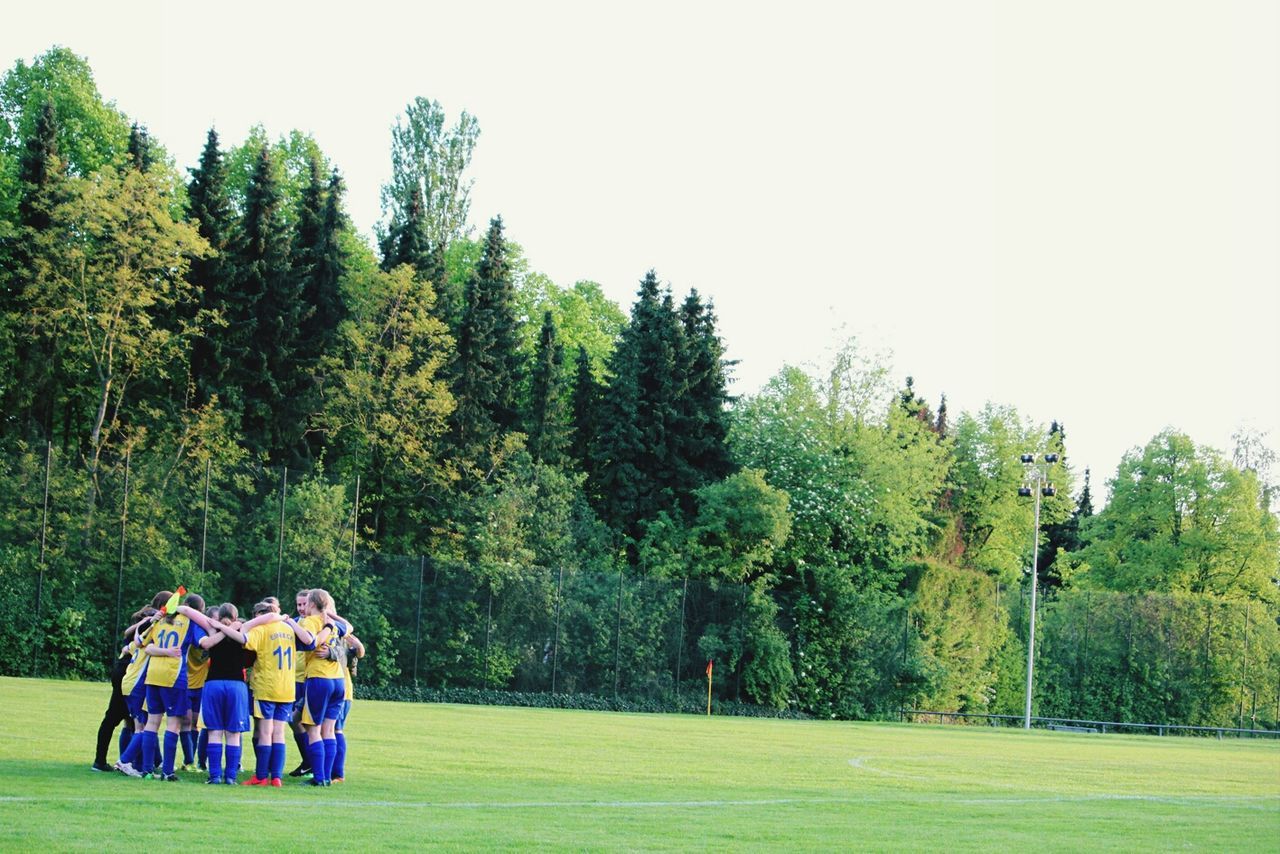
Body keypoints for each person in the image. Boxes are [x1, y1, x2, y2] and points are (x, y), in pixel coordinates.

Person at [242, 601, 314, 787]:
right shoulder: (289, 628)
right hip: (287, 688)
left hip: (266, 687)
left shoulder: (262, 629)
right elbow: (308, 641)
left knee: (265, 733)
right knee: (279, 733)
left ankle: (260, 777)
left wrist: (258, 623)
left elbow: (243, 633)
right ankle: (276, 777)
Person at [136, 592, 205, 780]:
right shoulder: (189, 621)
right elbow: (204, 642)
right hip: (173, 676)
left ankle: (147, 770)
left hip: (153, 675)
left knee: (152, 722)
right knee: (173, 724)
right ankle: (168, 771)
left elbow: (140, 642)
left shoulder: (161, 618)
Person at [197, 603, 254, 784]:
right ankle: (230, 777)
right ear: (236, 617)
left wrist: (219, 626)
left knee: (214, 731)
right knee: (233, 733)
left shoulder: (212, 631)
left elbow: (192, 613)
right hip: (236, 685)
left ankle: (214, 776)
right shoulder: (241, 631)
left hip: (213, 684)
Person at [299, 588, 347, 786]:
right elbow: (348, 628)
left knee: (313, 729)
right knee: (329, 730)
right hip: (338, 680)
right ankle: (327, 777)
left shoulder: (310, 621)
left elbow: (310, 642)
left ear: (311, 604)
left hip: (319, 678)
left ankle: (319, 778)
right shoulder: (335, 624)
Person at [331, 631, 364, 784]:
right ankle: (325, 768)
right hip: (334, 689)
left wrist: (356, 644)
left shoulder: (341, 637)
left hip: (342, 691)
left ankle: (338, 773)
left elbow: (359, 651)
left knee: (335, 730)